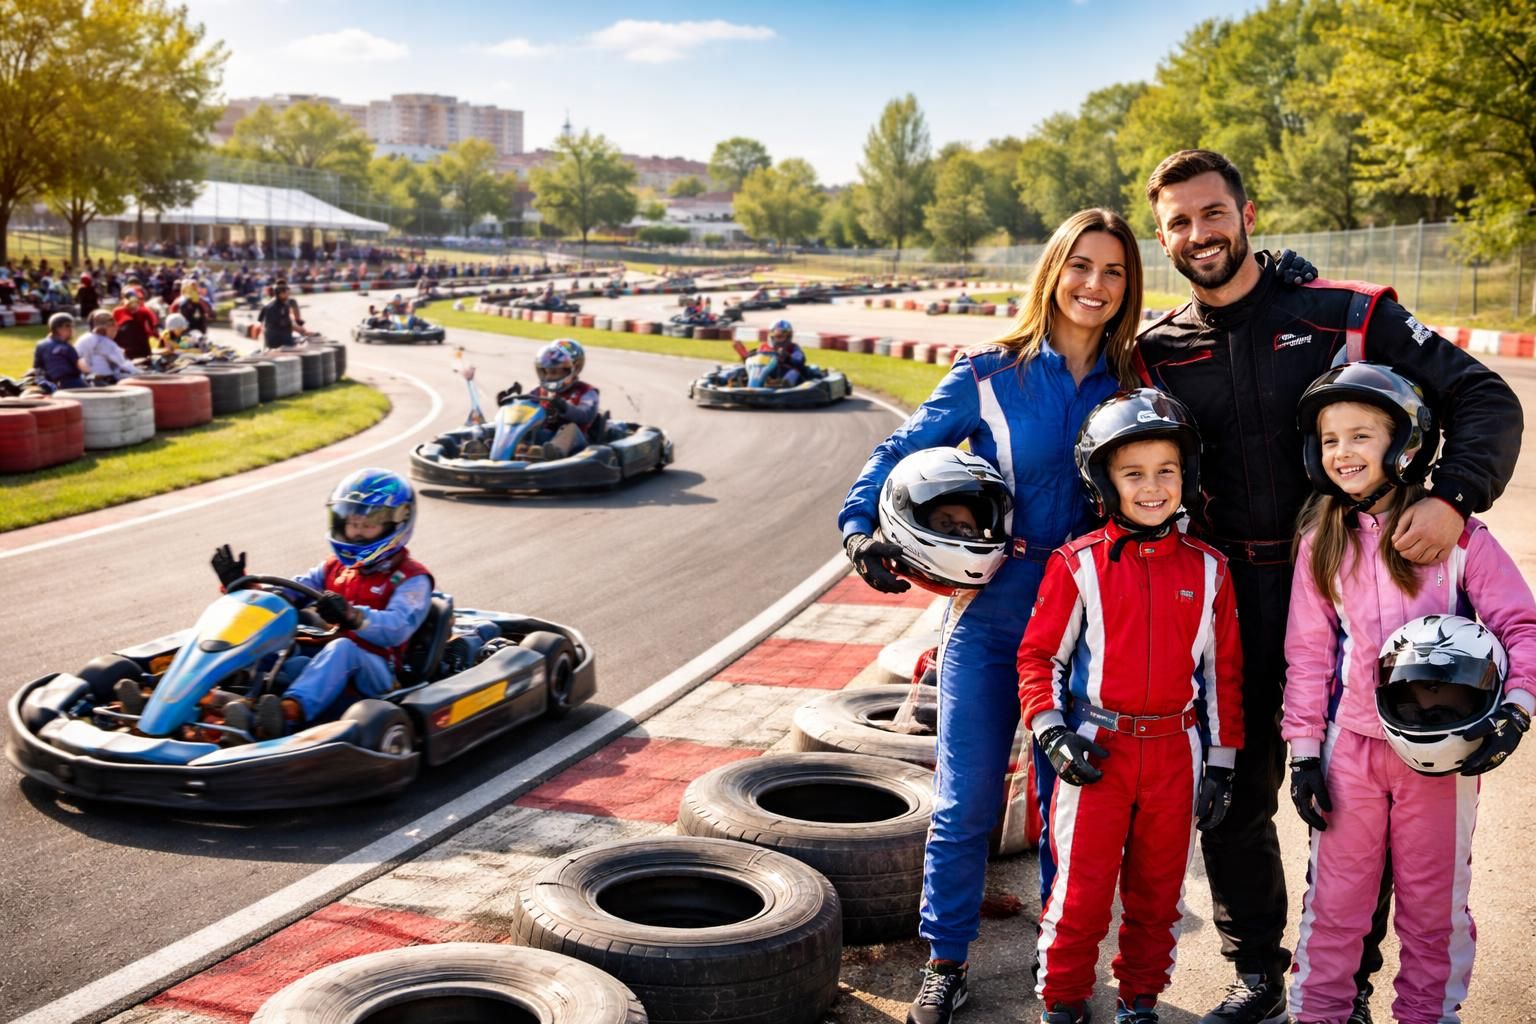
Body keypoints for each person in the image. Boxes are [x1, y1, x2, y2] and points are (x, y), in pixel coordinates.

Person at [1134, 149, 1524, 1024]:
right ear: (1164, 239)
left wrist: (1453, 498)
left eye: (1213, 212)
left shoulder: (1346, 314)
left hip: (1350, 588)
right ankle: (1257, 972)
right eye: (1179, 222)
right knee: (1230, 798)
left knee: (1350, 804)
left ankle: (1347, 988)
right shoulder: (1154, 353)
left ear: (1247, 214)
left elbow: (1486, 400)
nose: (1200, 233)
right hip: (1226, 603)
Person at [1281, 363, 1535, 1024]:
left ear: (1405, 443)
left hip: (1443, 757)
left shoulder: (1460, 539)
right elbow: (1308, 657)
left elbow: (1522, 627)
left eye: (1361, 435)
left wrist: (1515, 710)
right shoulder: (1321, 542)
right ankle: (1319, 1015)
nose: (1343, 452)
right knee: (1334, 908)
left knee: (1433, 911)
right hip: (1349, 755)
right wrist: (1304, 755)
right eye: (1330, 439)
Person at [1018, 389, 1243, 1024]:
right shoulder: (1077, 564)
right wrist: (1051, 732)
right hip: (1096, 750)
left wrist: (1222, 765)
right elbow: (1039, 658)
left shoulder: (1210, 569)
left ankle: (1140, 999)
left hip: (1178, 753)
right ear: (1104, 482)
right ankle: (1063, 999)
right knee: (1082, 892)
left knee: (1159, 895)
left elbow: (1224, 676)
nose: (1152, 487)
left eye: (1166, 471)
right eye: (1133, 474)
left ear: (1186, 476)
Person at [212, 469, 433, 739]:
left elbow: (397, 628)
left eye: (368, 526)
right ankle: (230, 697)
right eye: (353, 524)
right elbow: (290, 593)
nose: (357, 533)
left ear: (397, 523)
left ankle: (286, 714)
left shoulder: (412, 578)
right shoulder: (336, 567)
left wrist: (352, 615)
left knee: (343, 648)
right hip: (330, 655)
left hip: (379, 671)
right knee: (279, 636)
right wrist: (244, 588)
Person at [496, 341, 601, 461]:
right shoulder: (541, 391)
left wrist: (564, 407)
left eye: (554, 372)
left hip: (575, 443)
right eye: (546, 372)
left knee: (570, 428)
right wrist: (510, 403)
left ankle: (551, 453)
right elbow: (526, 406)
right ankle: (507, 448)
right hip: (546, 437)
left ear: (573, 369)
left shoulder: (586, 391)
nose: (548, 377)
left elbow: (586, 414)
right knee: (522, 425)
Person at [75, 310, 139, 382]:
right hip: (105, 380)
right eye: (114, 327)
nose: (116, 330)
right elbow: (124, 365)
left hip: (85, 378)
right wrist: (141, 372)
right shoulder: (105, 342)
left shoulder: (82, 338)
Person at [33, 313, 85, 390]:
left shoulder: (41, 344)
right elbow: (80, 366)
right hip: (71, 382)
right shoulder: (66, 347)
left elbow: (37, 367)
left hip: (48, 383)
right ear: (58, 329)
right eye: (68, 326)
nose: (71, 329)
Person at [112, 291, 158, 360]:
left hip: (139, 342)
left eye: (135, 304)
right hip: (126, 342)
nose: (133, 307)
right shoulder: (118, 311)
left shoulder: (144, 311)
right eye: (130, 304)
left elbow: (153, 325)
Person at [766, 320, 810, 385]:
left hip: (789, 378)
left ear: (788, 337)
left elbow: (799, 359)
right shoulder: (767, 348)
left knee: (794, 372)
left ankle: (783, 384)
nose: (777, 340)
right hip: (772, 376)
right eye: (776, 337)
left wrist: (788, 356)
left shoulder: (793, 348)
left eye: (780, 337)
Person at [259, 281, 299, 348]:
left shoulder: (284, 304)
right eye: (287, 293)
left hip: (282, 335)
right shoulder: (272, 306)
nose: (288, 295)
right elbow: (278, 323)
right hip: (276, 339)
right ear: (281, 294)